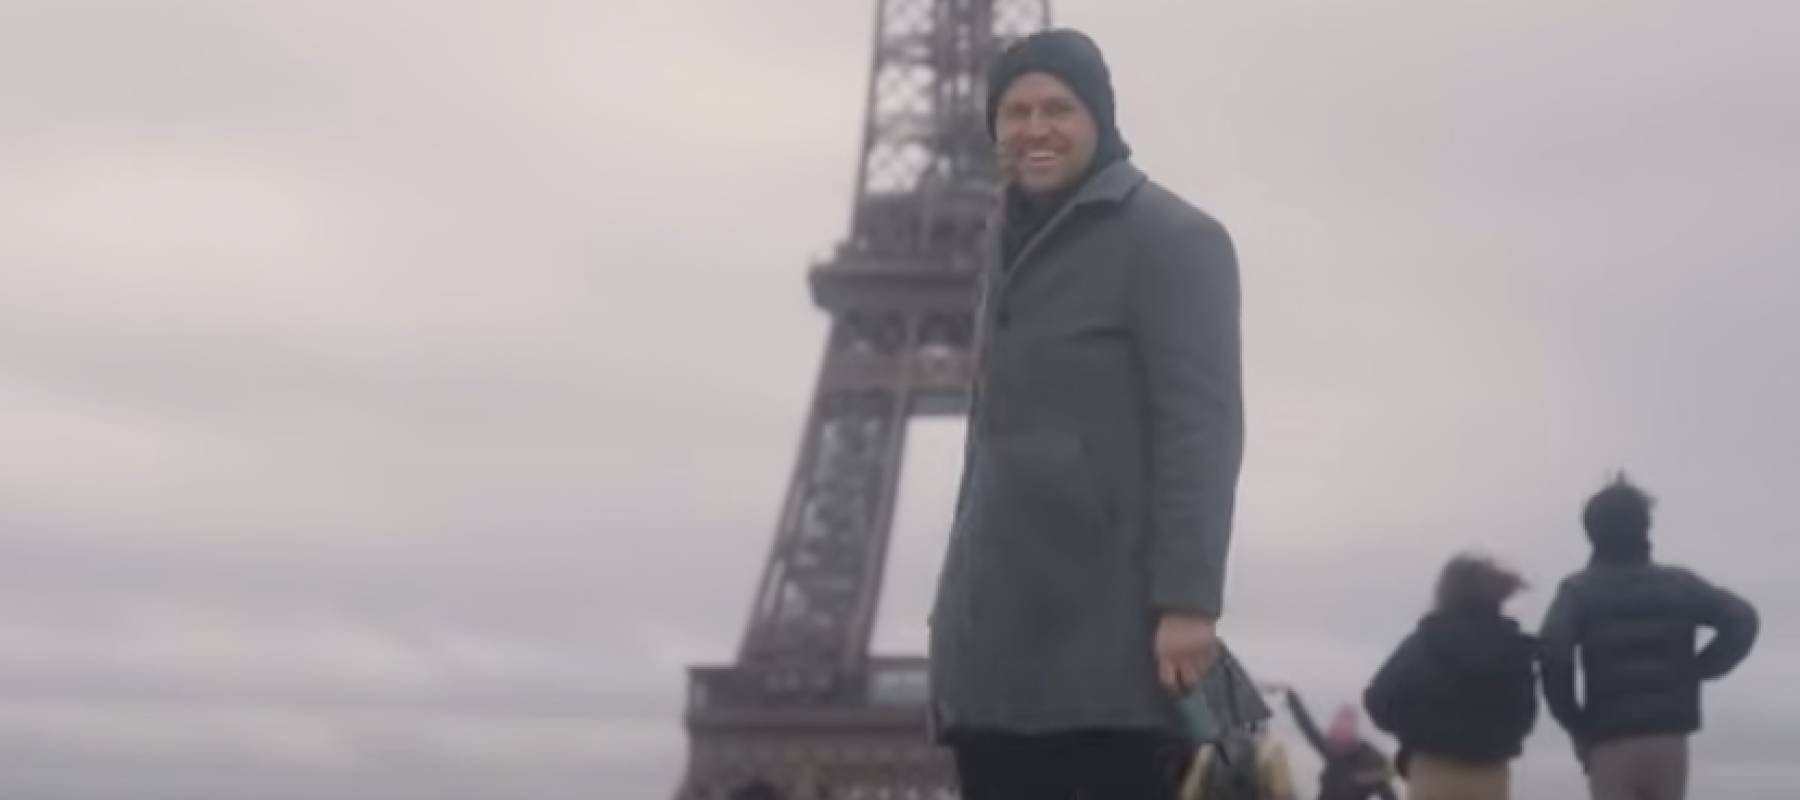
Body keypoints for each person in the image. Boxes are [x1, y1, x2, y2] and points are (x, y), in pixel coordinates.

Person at [926, 27, 1246, 800]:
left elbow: (1201, 431)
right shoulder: (1002, 243)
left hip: (1105, 638)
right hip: (994, 643)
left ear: (1099, 117)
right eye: (1015, 111)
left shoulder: (1172, 238)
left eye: (1057, 108)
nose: (1035, 128)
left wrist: (1190, 602)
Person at [1540, 475, 1759, 800]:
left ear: (1591, 531)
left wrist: (1575, 722)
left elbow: (1553, 655)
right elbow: (1742, 619)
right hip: (1669, 737)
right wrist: (1698, 669)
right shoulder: (1679, 584)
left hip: (1609, 739)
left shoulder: (1577, 592)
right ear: (1645, 527)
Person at [1363, 554, 1538, 800]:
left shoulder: (1424, 642)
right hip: (1490, 771)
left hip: (1433, 768)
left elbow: (1377, 699)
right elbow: (1525, 715)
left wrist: (1414, 732)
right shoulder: (1513, 649)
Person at [1287, 691, 1397, 800]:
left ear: (1353, 729)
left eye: (1345, 723)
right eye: (1337, 723)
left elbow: (1388, 794)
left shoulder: (1369, 759)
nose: (1340, 727)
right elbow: (1309, 729)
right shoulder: (1332, 750)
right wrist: (1292, 698)